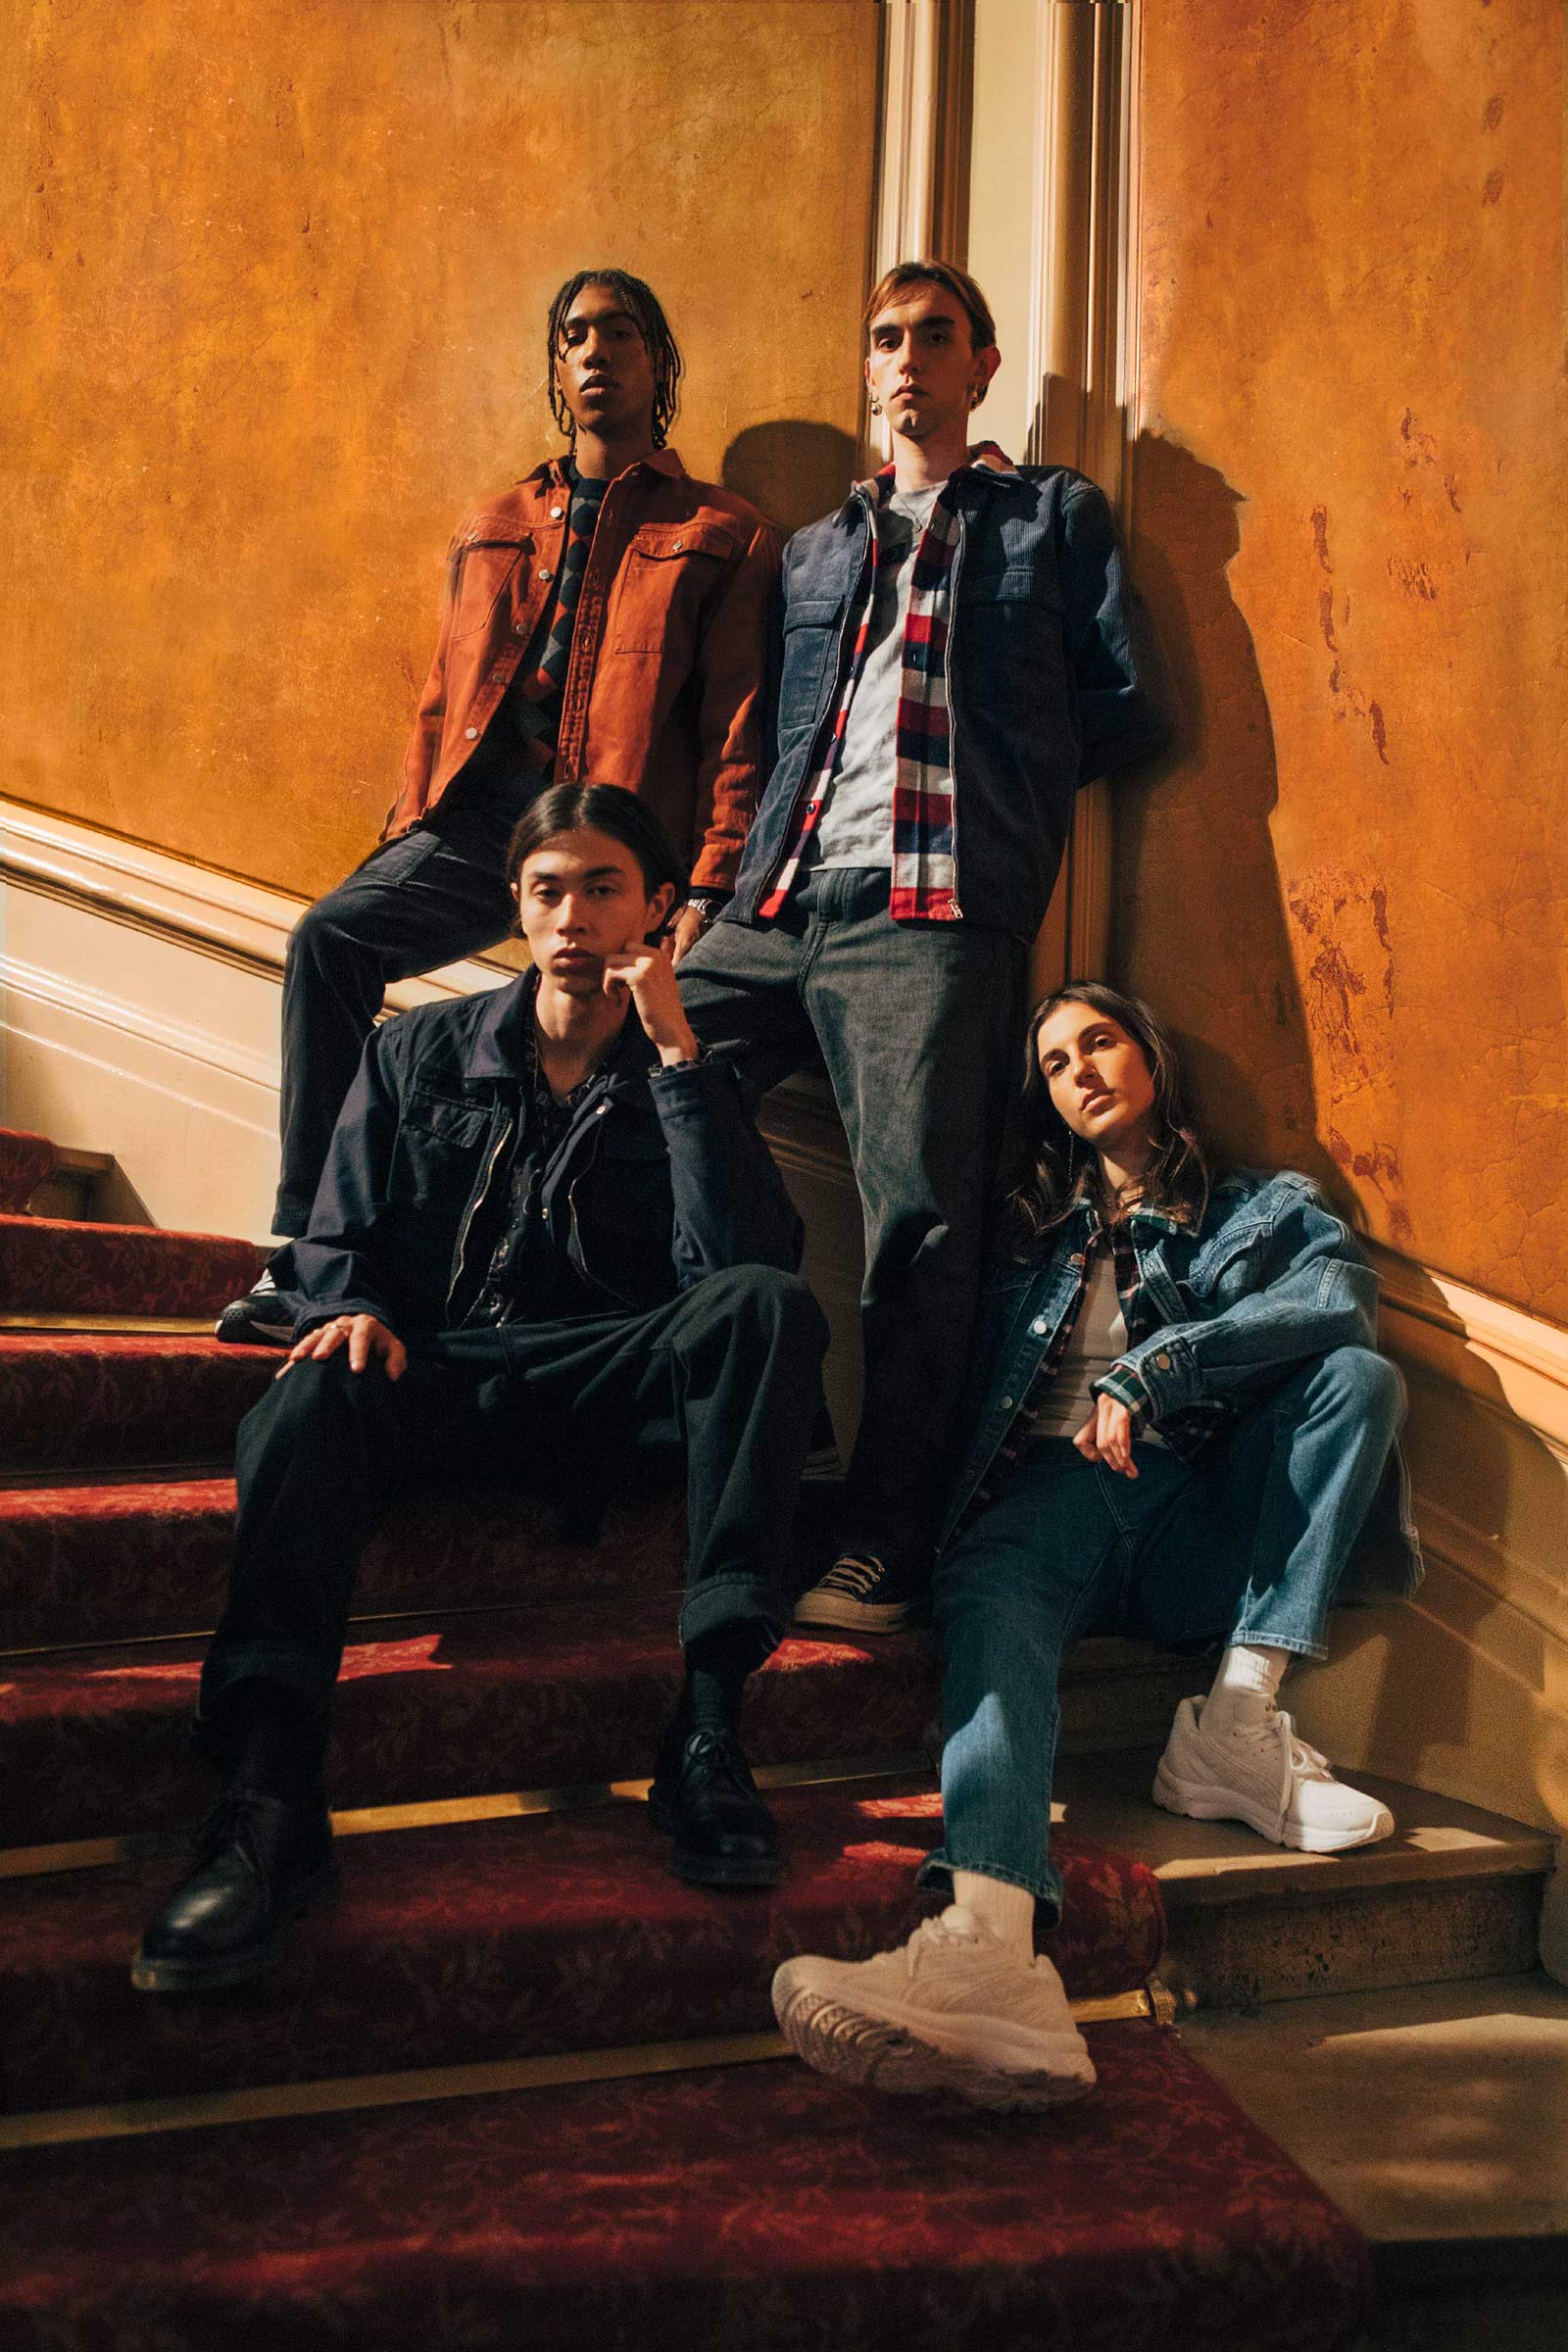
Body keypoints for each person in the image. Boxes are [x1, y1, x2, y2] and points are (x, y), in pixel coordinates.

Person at [135, 787, 827, 1993]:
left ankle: (710, 1732)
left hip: (602, 1387)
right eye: (549, 890)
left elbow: (735, 1265)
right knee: (306, 1391)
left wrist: (677, 1056)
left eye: (604, 888)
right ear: (515, 905)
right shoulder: (415, 1049)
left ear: (658, 910)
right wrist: (348, 1307)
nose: (573, 917)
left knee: (765, 1306)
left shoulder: (686, 1074)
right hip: (441, 1375)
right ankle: (267, 1797)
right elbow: (331, 1235)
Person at [772, 981, 1421, 2110]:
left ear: (1151, 1058)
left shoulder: (1259, 1208)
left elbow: (1337, 1303)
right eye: (1056, 1063)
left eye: (1100, 1042)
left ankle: (1235, 1722)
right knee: (994, 1595)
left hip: (1196, 1507)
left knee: (1357, 1376)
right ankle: (988, 1941)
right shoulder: (1017, 1225)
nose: (1079, 1071)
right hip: (1051, 1499)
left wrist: (1157, 1366)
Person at [677, 260, 1168, 1632]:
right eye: (887, 338)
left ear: (980, 367)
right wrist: (718, 890)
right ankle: (779, 1407)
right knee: (639, 1088)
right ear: (869, 368)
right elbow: (776, 729)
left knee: (920, 1224)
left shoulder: (1049, 516)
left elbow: (1123, 704)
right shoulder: (815, 549)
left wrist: (996, 814)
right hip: (777, 900)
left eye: (934, 337)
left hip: (930, 914)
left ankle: (884, 1541)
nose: (906, 359)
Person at [220, 269, 778, 1343]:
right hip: (478, 830)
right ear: (557, 368)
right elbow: (439, 697)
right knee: (329, 938)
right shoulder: (494, 523)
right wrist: (404, 834)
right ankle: (306, 1257)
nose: (595, 351)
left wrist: (709, 883)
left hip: (611, 844)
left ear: (658, 361)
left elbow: (737, 731)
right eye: (575, 336)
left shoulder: (723, 532)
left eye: (620, 332)